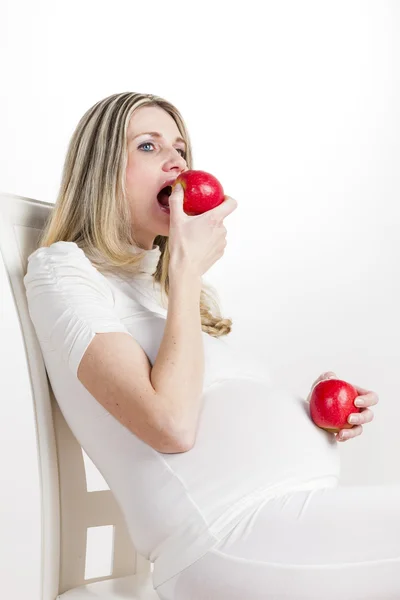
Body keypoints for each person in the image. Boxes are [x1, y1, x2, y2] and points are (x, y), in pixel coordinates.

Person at [23, 91, 399, 600]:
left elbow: (212, 406)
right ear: (101, 171)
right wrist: (185, 270)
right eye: (149, 146)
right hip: (227, 538)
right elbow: (171, 425)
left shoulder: (163, 293)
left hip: (291, 517)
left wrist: (307, 415)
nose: (176, 161)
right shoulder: (64, 269)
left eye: (181, 149)